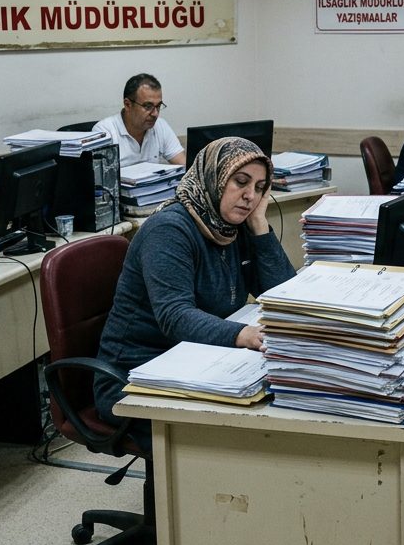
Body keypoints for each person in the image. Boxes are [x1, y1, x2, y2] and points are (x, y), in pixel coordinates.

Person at [94, 137, 296, 449]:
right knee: (242, 435)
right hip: (135, 376)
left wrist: (259, 224)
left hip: (200, 363)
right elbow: (175, 316)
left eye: (258, 188)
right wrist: (243, 335)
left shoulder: (232, 225)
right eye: (240, 182)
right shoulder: (169, 230)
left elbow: (283, 296)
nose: (249, 196)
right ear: (214, 178)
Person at [93, 73, 186, 168]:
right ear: (127, 105)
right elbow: (101, 179)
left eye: (158, 106)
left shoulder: (160, 125)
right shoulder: (104, 132)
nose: (155, 114)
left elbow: (185, 167)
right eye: (148, 106)